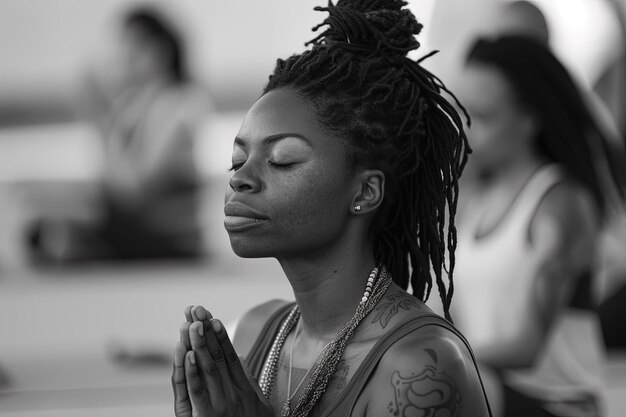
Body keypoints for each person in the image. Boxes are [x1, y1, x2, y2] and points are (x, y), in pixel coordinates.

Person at [170, 1, 493, 416]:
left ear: (365, 191)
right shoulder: (255, 335)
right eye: (237, 160)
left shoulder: (419, 363)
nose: (240, 178)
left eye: (282, 160)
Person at [452, 35, 625, 417]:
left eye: (482, 116)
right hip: (488, 393)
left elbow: (526, 346)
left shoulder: (561, 202)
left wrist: (431, 355)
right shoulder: (477, 201)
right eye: (461, 111)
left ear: (529, 119)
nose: (465, 129)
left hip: (558, 406)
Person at [29, 6, 208, 261]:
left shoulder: (181, 103)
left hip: (166, 230)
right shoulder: (135, 104)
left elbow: (134, 190)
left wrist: (100, 120)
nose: (124, 57)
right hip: (132, 222)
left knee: (53, 224)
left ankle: (80, 244)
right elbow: (112, 181)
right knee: (38, 212)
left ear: (160, 50)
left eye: (133, 47)